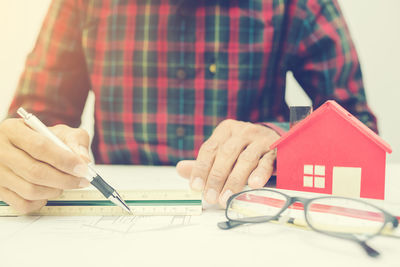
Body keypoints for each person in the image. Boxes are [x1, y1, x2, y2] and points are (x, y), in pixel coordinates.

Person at [0, 0, 377, 214]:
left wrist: (279, 141)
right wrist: (28, 155)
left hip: (250, 212)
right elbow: (33, 121)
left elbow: (358, 131)